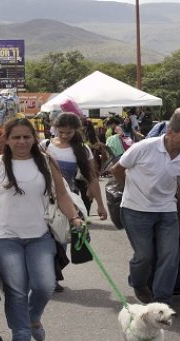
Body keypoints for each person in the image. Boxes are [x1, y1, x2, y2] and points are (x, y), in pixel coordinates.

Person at [0, 118, 85, 341]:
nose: (22, 141)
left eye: (26, 137)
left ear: (34, 138)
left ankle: (33, 318)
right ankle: (20, 334)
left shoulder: (45, 162)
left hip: (39, 235)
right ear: (7, 140)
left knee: (45, 285)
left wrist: (75, 218)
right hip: (2, 237)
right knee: (16, 288)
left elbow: (62, 194)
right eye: (16, 137)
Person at [110, 112, 180, 306]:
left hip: (167, 211)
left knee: (170, 256)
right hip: (135, 210)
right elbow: (117, 169)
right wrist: (130, 190)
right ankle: (138, 283)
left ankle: (162, 300)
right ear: (170, 132)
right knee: (144, 256)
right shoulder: (143, 148)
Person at [42, 112, 108, 292]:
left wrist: (100, 205)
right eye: (60, 132)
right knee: (42, 240)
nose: (63, 136)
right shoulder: (45, 145)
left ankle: (52, 276)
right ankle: (45, 276)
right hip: (42, 198)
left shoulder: (83, 150)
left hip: (67, 201)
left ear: (77, 130)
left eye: (69, 133)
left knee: (61, 240)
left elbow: (92, 178)